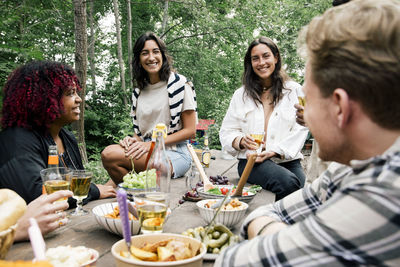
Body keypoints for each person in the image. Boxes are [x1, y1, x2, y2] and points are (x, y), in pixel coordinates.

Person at [215, 0, 400, 265]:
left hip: (284, 161)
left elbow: (231, 261)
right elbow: (281, 208)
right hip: (253, 162)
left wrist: (274, 233)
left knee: (292, 183)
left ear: (340, 107)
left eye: (309, 101)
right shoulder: (346, 171)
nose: (304, 115)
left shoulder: (383, 198)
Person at [0, 61, 116, 205]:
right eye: (70, 93)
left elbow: (77, 181)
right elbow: (40, 194)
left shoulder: (67, 137)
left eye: (76, 92)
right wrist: (93, 190)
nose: (79, 99)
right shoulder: (17, 140)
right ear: (44, 99)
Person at [219, 36, 308, 201]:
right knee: (288, 183)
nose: (261, 62)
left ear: (276, 57)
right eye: (255, 58)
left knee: (306, 195)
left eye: (266, 56)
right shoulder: (241, 95)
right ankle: (275, 223)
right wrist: (240, 141)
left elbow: (302, 127)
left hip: (288, 161)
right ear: (250, 63)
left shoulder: (295, 90)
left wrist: (276, 151)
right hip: (252, 162)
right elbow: (226, 131)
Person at [101, 32, 197, 184]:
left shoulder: (180, 84)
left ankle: (120, 188)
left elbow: (190, 131)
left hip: (174, 152)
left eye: (156, 51)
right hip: (145, 150)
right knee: (108, 154)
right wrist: (131, 141)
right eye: (145, 53)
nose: (151, 57)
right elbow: (140, 134)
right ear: (139, 59)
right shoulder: (138, 92)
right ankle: (130, 193)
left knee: (115, 157)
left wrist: (151, 144)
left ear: (163, 55)